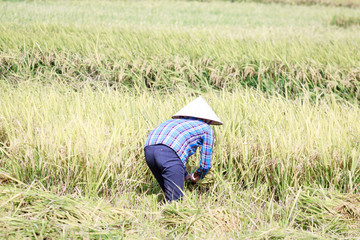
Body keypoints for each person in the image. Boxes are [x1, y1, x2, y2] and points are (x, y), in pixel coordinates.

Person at [144, 96, 223, 202]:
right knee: (176, 201)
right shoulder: (206, 128)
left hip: (149, 151)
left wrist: (185, 175)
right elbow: (206, 164)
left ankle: (162, 215)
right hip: (168, 153)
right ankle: (173, 216)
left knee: (169, 194)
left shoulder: (171, 122)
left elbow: (170, 152)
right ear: (206, 119)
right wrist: (199, 175)